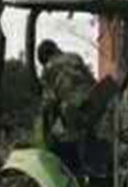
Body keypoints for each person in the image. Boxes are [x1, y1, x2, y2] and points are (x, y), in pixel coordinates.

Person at [37, 39, 112, 174]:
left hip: (74, 113)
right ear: (56, 48)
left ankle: (71, 171)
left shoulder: (48, 69)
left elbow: (49, 103)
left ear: (44, 58)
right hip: (96, 103)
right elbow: (90, 80)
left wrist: (46, 135)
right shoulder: (74, 57)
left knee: (58, 138)